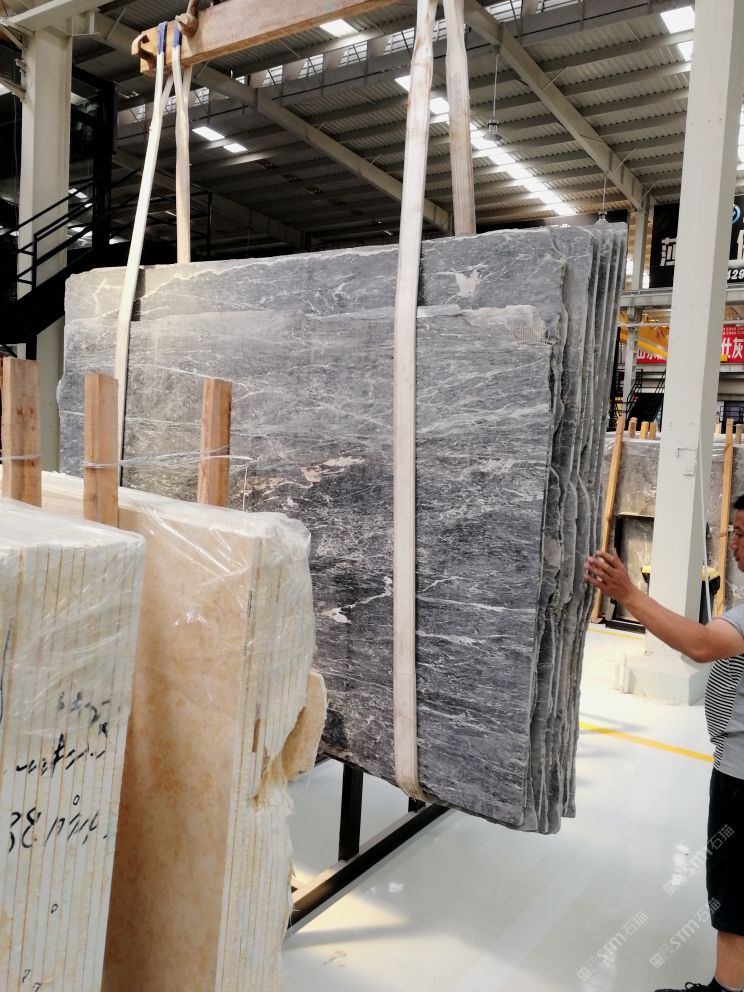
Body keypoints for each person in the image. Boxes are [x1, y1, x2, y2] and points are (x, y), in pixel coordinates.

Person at [585, 493, 744, 992]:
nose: (734, 545)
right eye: (733, 532)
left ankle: (727, 989)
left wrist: (628, 594)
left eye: (741, 534)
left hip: (741, 776)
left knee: (733, 885)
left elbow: (701, 644)